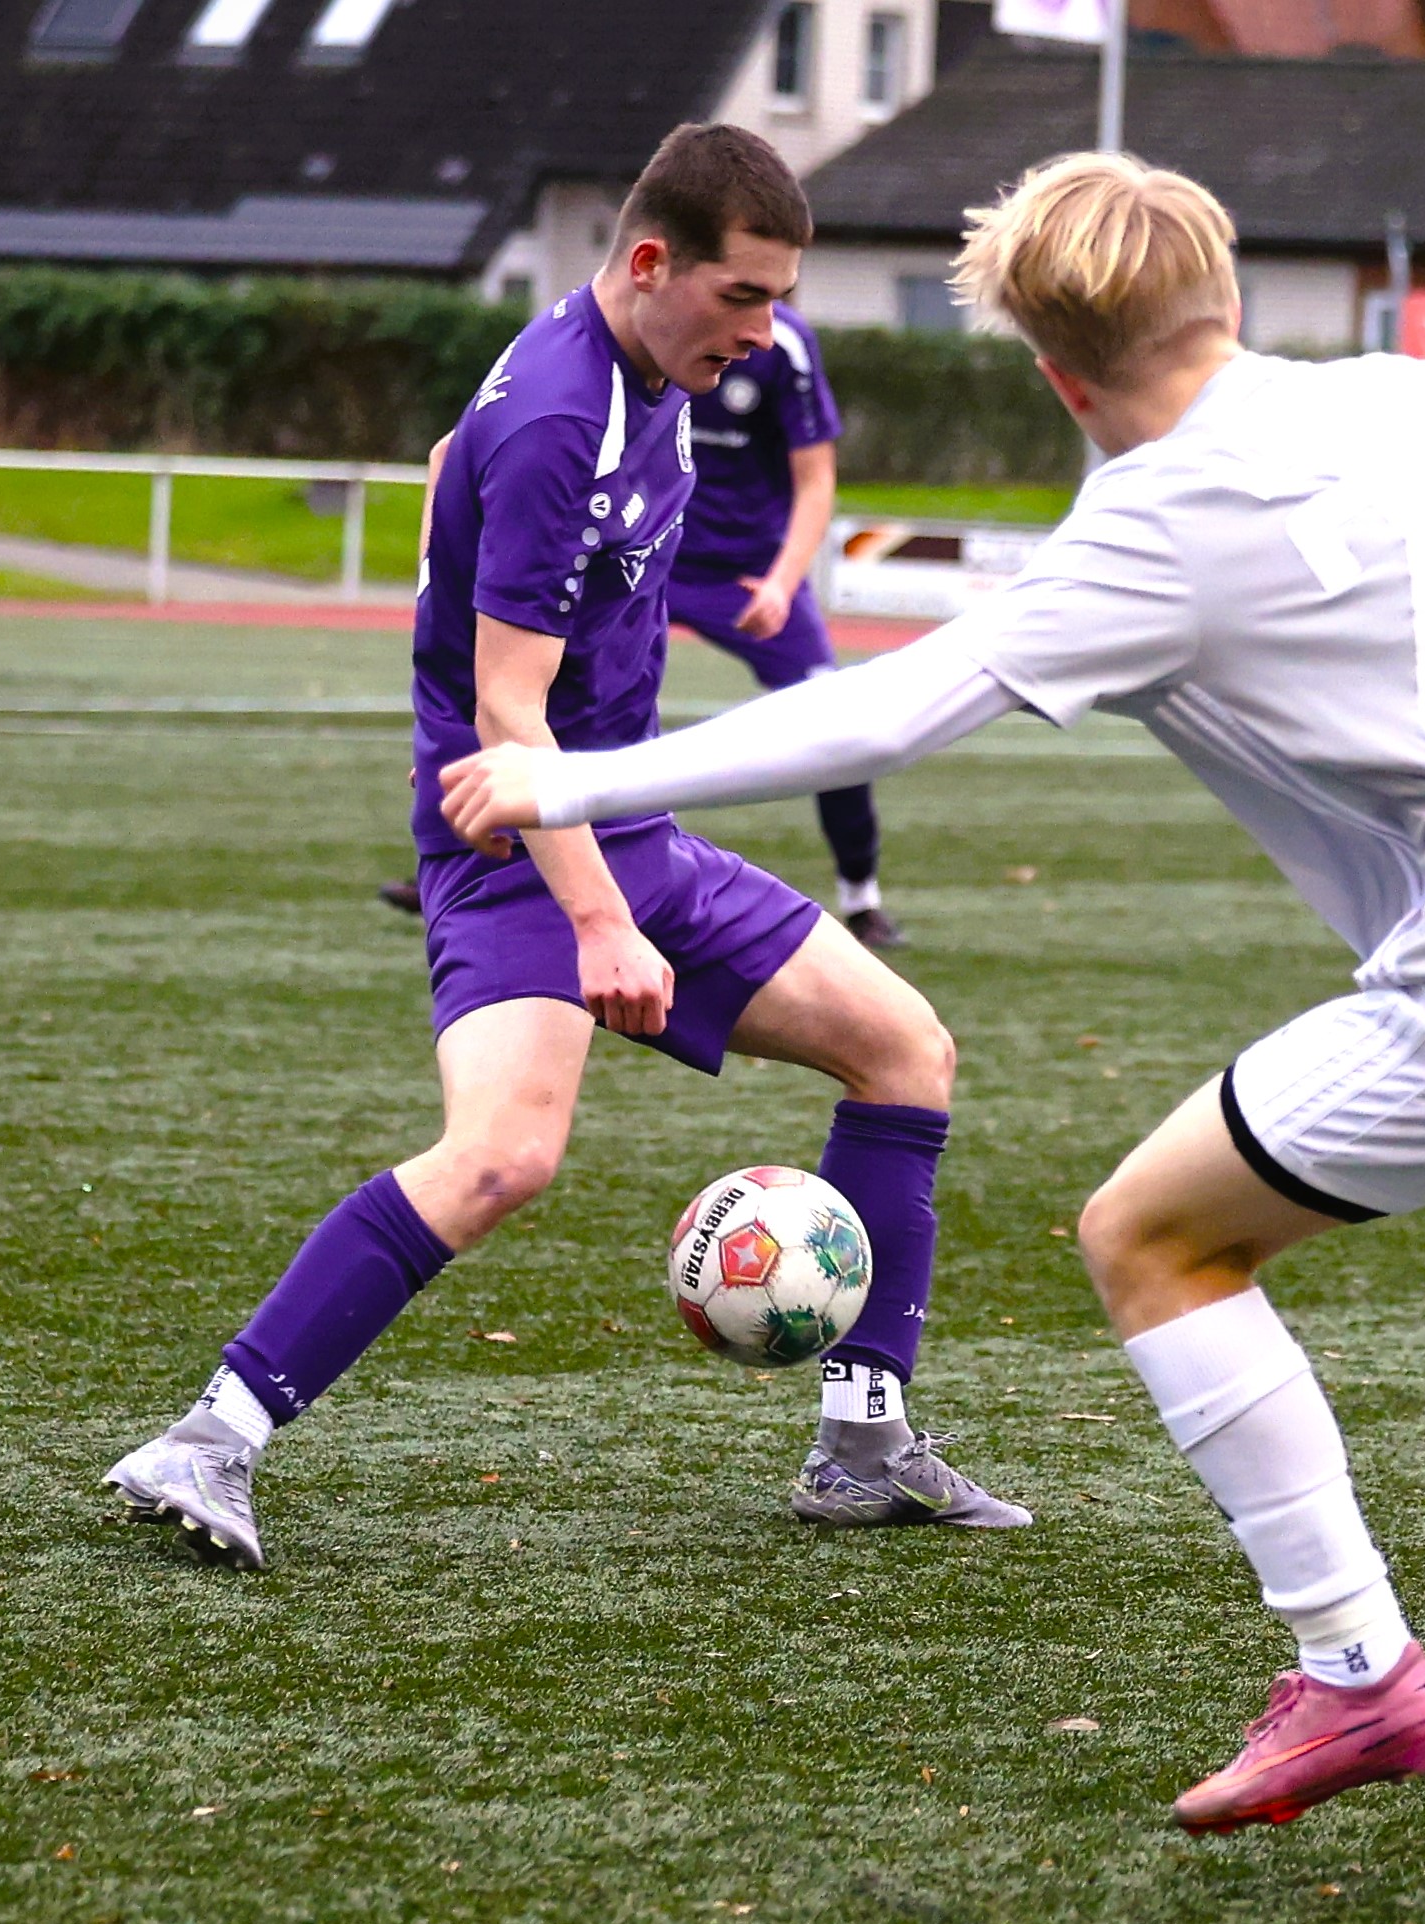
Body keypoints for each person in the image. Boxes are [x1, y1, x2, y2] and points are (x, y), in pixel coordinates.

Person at [437, 153, 1425, 1883]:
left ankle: (1356, 1666)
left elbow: (889, 714)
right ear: (1219, 291)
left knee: (1152, 1236)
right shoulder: (1387, 393)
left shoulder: (1152, 523)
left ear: (1060, 377)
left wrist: (570, 777)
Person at [103, 124, 1027, 1572]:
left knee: (905, 1048)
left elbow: (449, 459)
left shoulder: (627, 366)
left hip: (620, 824)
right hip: (524, 852)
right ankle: (207, 1439)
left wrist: (454, 531)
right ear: (652, 262)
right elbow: (506, 713)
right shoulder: (558, 419)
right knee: (502, 1158)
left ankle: (860, 1445)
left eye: (780, 299)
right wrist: (599, 922)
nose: (764, 330)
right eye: (743, 296)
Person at [666, 301, 910, 948]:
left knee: (836, 721)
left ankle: (862, 899)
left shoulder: (785, 344)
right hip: (650, 554)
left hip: (751, 570)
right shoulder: (647, 318)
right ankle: (475, 858)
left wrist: (780, 580)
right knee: (545, 686)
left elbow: (816, 479)